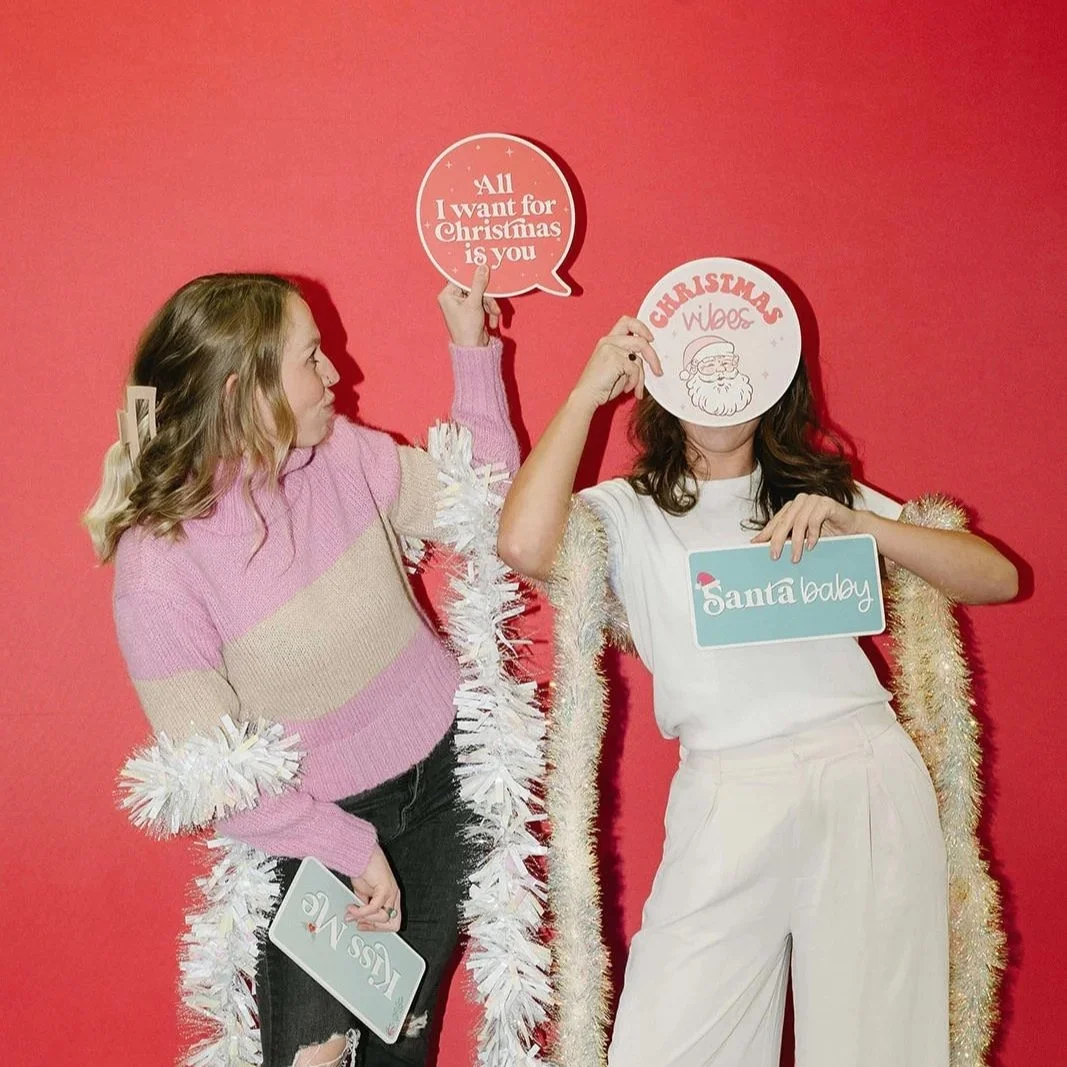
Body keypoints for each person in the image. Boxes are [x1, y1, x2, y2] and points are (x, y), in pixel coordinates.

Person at [496, 314, 1017, 1067]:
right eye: (700, 375)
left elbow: (994, 575)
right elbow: (522, 543)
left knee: (877, 1049)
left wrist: (856, 524)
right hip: (725, 786)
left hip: (862, 772)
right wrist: (585, 395)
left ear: (774, 385)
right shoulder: (628, 509)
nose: (718, 396)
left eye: (740, 374)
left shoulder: (819, 493)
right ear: (664, 385)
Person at [85, 266, 518, 1067]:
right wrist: (344, 844)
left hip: (444, 787)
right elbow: (214, 776)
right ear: (243, 390)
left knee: (401, 1049)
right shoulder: (160, 568)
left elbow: (486, 505)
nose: (336, 374)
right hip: (308, 831)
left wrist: (474, 350)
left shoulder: (343, 454)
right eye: (310, 357)